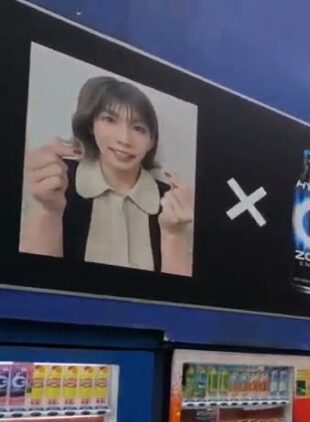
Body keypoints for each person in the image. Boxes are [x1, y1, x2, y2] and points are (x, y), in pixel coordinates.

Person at [21, 76, 194, 275]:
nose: (124, 139)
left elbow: (178, 299)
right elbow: (34, 283)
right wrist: (49, 210)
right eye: (109, 120)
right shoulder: (55, 179)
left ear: (151, 141)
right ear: (90, 126)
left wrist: (175, 235)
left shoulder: (172, 204)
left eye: (139, 128)